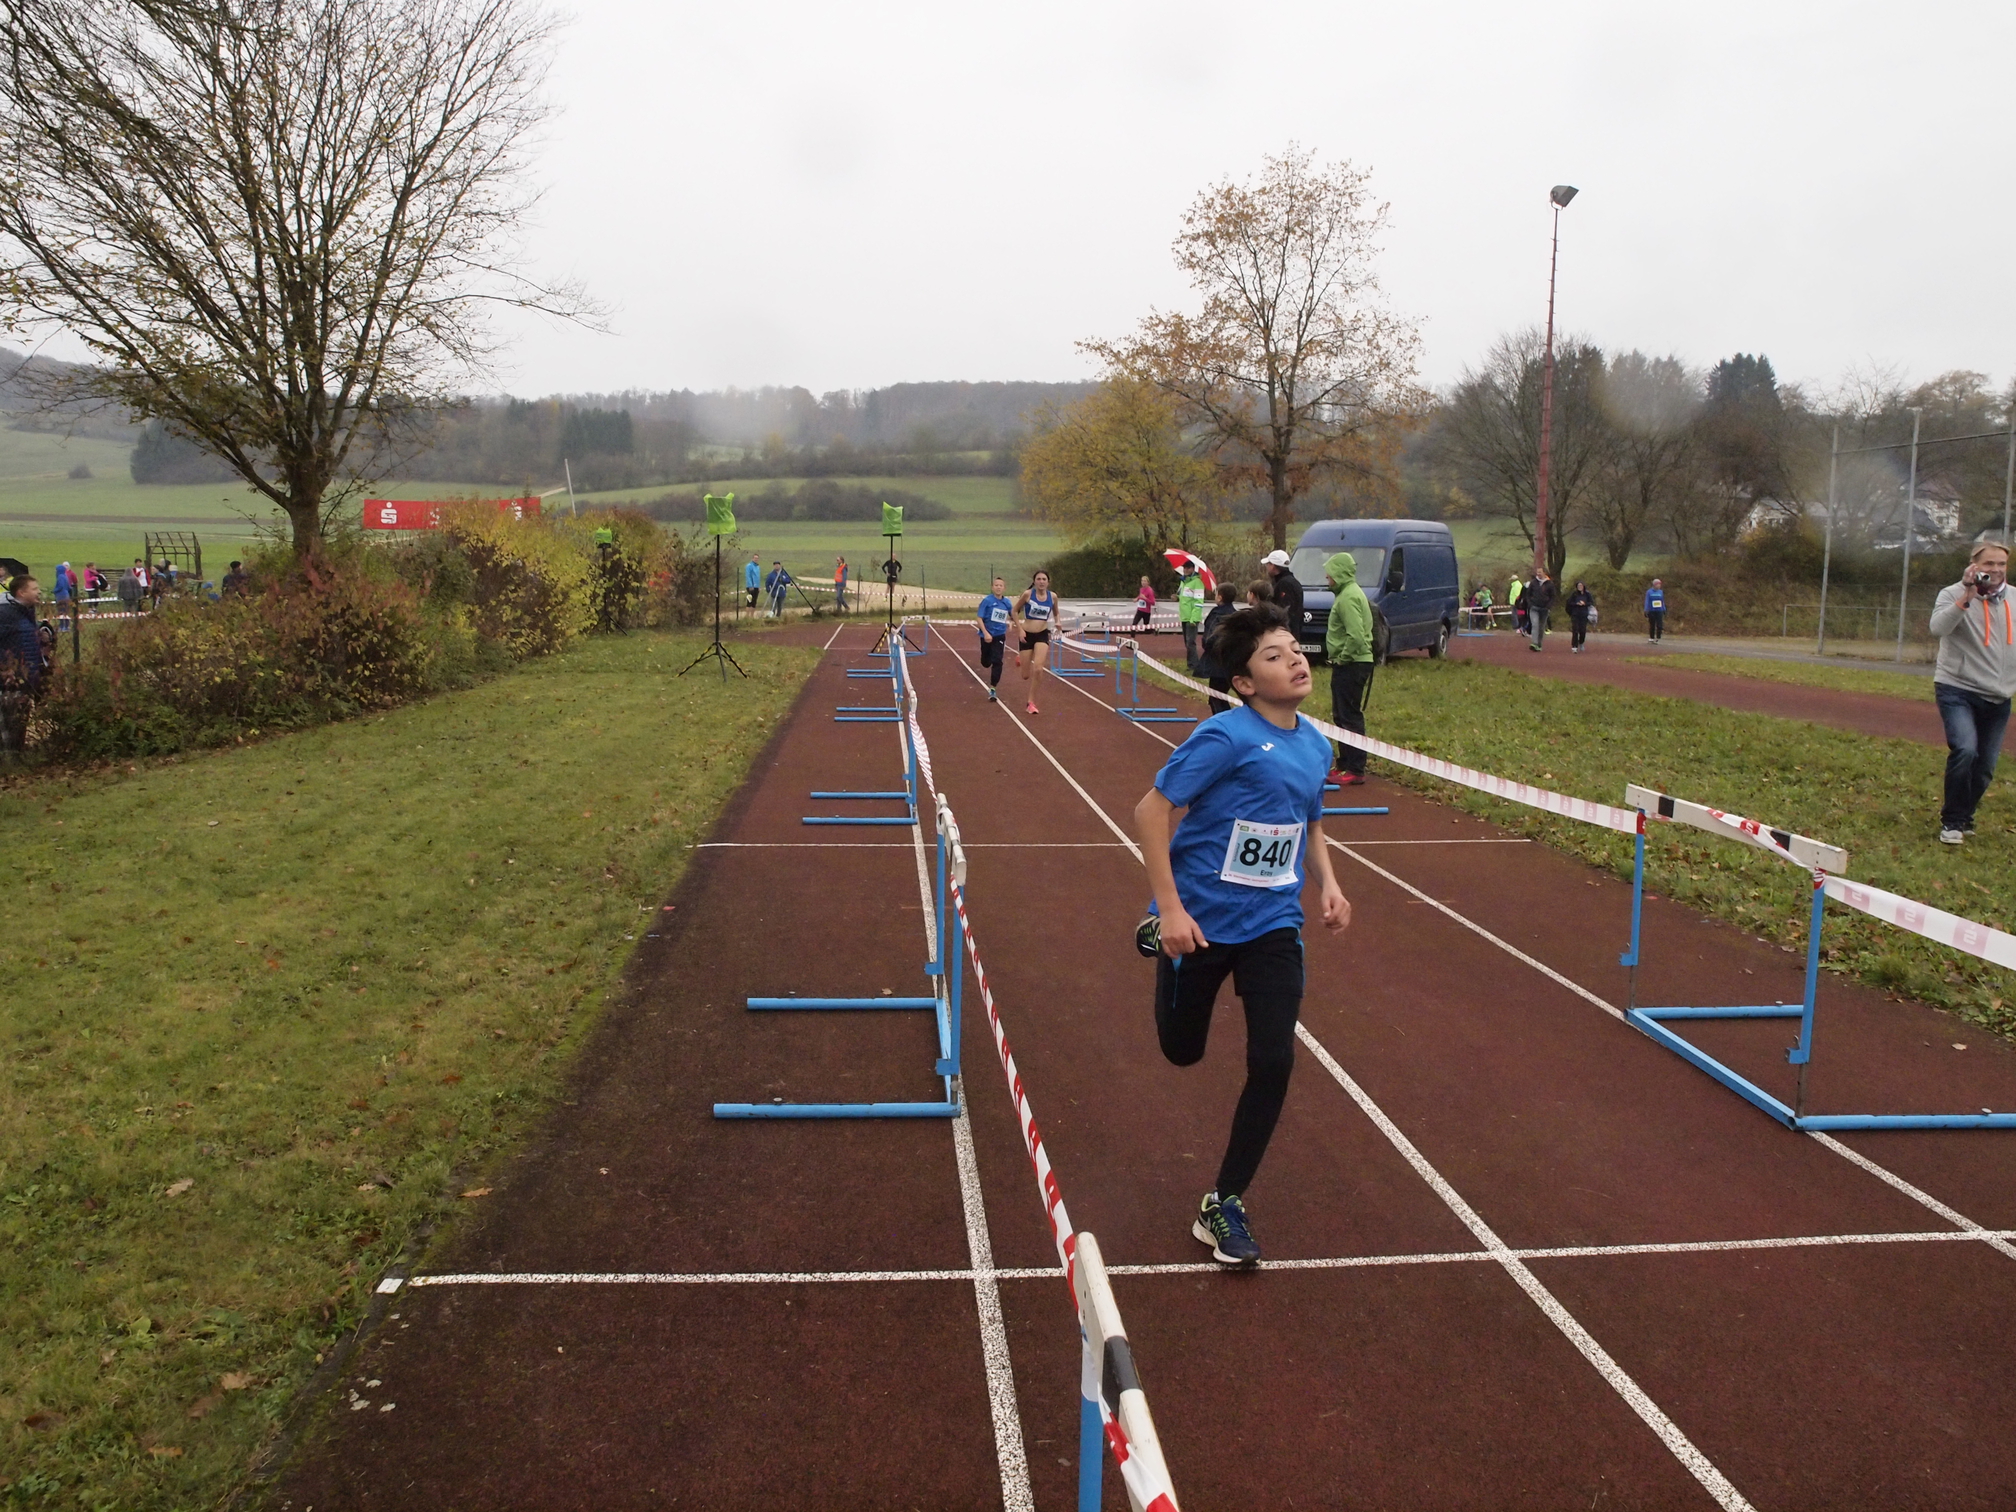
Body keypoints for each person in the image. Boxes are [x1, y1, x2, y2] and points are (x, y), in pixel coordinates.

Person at [1131, 606, 1352, 1267]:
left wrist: (1329, 884)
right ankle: (1157, 935)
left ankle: (1224, 1201)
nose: (1296, 660)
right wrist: (1171, 908)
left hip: (1274, 924)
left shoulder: (1316, 745)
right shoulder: (1224, 737)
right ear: (1246, 683)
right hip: (1199, 924)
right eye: (1274, 656)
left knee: (1274, 1060)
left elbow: (1308, 821)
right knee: (1182, 1052)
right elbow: (1150, 811)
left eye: (1295, 649)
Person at [1929, 540, 2016, 845]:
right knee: (1965, 750)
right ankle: (1952, 822)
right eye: (1989, 563)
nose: (1996, 569)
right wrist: (1967, 597)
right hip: (1958, 688)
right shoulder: (1952, 594)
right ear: (1974, 565)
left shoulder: (2014, 598)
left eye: (2001, 564)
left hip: (1999, 696)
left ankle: (1965, 816)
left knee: (1985, 768)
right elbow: (1938, 628)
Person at [1323, 551, 1374, 785]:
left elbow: (1356, 635)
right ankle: (1344, 763)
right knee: (1341, 715)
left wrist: (1343, 658)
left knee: (1349, 716)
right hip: (1351, 662)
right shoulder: (1347, 593)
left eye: (1330, 573)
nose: (1327, 578)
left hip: (1352, 663)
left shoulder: (1348, 597)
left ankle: (1355, 768)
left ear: (1339, 573)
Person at [0, 573, 49, 767]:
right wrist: (4, 668)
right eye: (34, 589)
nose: (39, 592)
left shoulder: (27, 613)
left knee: (19, 724)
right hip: (10, 681)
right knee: (9, 725)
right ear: (21, 592)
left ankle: (16, 762)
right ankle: (9, 763)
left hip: (27, 678)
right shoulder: (5, 615)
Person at [1012, 569, 1058, 715]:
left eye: (1044, 579)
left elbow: (1056, 612)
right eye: (1038, 579)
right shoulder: (1028, 594)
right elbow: (1014, 611)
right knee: (1025, 675)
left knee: (1038, 669)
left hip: (1042, 635)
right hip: (1027, 635)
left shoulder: (1053, 596)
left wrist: (1058, 622)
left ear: (1048, 582)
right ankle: (1021, 658)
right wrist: (1019, 629)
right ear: (1034, 581)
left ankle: (1031, 702)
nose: (1041, 582)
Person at [1197, 582, 1241, 714]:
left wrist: (1207, 644)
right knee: (1221, 696)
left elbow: (1210, 637)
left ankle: (1223, 723)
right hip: (1232, 662)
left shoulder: (1216, 614)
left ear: (1220, 597)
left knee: (1215, 698)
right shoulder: (1236, 615)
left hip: (1217, 663)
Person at [974, 576, 1014, 701]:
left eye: (1000, 585)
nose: (998, 587)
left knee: (998, 661)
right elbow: (979, 618)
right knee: (986, 663)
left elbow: (1013, 615)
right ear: (992, 587)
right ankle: (986, 658)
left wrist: (1011, 622)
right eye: (996, 585)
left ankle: (993, 688)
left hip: (999, 635)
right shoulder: (987, 601)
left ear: (1004, 588)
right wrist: (986, 633)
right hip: (986, 636)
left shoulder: (1007, 602)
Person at [1262, 549, 1303, 641]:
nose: (1267, 567)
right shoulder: (1292, 582)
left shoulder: (1284, 584)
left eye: (1268, 564)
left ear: (1273, 566)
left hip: (1285, 635)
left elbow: (1285, 611)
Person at [1177, 560, 1208, 670]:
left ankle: (1194, 665)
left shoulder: (1197, 582)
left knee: (1190, 642)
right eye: (1184, 568)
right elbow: (1183, 597)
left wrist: (1194, 618)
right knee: (1187, 642)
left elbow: (1198, 602)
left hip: (1192, 617)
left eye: (1188, 568)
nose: (1185, 570)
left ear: (1192, 569)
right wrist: (1177, 597)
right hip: (1184, 616)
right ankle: (1191, 664)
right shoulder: (1183, 582)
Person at [1524, 569, 1555, 651]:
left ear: (1544, 573)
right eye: (1537, 572)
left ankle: (1539, 644)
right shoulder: (1533, 582)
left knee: (1541, 627)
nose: (1538, 574)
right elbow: (1528, 594)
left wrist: (1548, 606)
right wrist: (1530, 604)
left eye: (1540, 572)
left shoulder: (1550, 584)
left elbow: (1552, 597)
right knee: (1535, 625)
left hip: (1544, 609)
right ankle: (1534, 643)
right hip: (1534, 608)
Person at [1566, 580, 1595, 653]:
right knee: (1575, 630)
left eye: (1581, 586)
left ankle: (1581, 642)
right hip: (1575, 614)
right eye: (1578, 586)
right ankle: (1574, 646)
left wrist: (1584, 603)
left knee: (1583, 630)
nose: (1580, 587)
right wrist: (1576, 603)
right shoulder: (1574, 594)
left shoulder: (1587, 594)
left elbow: (1591, 602)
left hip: (1584, 614)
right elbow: (1569, 602)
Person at [1644, 578, 1667, 643]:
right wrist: (1646, 610)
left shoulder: (1660, 592)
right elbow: (1647, 601)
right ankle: (1651, 637)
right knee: (1652, 624)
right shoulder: (1649, 592)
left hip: (1659, 610)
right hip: (1651, 610)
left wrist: (1664, 609)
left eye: (1660, 584)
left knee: (1659, 625)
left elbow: (1662, 601)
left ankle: (1658, 637)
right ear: (1654, 585)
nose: (1659, 586)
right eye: (1657, 584)